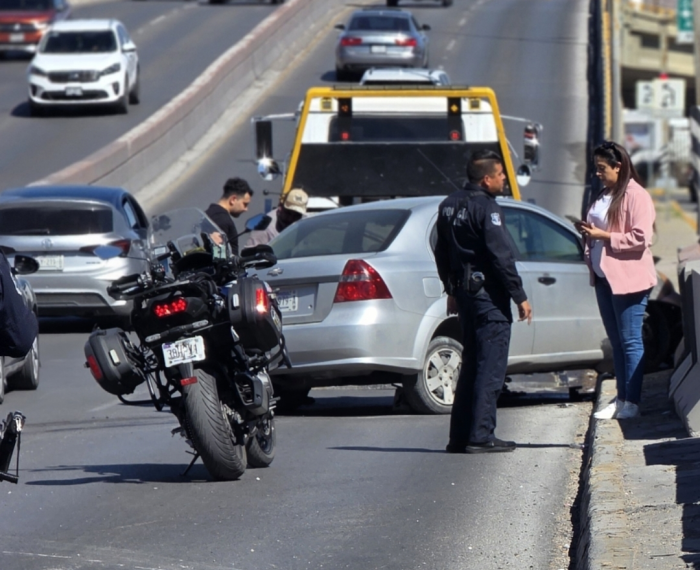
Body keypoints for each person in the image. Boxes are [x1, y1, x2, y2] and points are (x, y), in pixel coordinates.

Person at [434, 149, 532, 454]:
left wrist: (450, 289)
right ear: (487, 179)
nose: (504, 179)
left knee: (471, 366)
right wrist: (519, 295)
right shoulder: (487, 208)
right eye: (501, 175)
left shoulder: (448, 205)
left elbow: (441, 252)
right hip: (488, 298)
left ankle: (460, 436)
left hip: (465, 296)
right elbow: (501, 256)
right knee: (490, 368)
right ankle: (481, 436)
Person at [578, 141, 656, 420]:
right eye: (596, 168)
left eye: (602, 168)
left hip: (629, 279)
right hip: (603, 278)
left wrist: (605, 236)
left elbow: (641, 238)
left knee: (630, 341)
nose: (598, 173)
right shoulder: (604, 194)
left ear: (618, 167)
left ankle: (632, 402)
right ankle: (621, 398)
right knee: (617, 342)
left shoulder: (637, 195)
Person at [205, 178, 254, 256]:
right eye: (245, 204)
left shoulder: (209, 214)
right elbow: (219, 256)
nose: (246, 209)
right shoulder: (221, 219)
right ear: (233, 199)